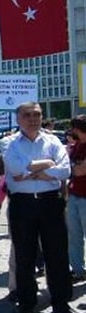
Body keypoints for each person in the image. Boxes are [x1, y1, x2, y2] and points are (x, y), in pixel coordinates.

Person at [3, 101, 82, 313]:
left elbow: (65, 170)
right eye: (27, 115)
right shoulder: (9, 143)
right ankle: (27, 303)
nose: (33, 119)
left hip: (50, 203)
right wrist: (48, 166)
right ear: (18, 119)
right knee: (25, 255)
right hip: (22, 203)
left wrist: (35, 171)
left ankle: (61, 303)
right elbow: (16, 169)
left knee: (57, 254)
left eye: (37, 114)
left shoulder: (53, 140)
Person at [69, 115, 86, 283]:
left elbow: (80, 171)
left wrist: (66, 167)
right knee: (74, 236)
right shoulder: (77, 146)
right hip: (74, 195)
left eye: (74, 128)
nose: (71, 131)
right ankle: (78, 269)